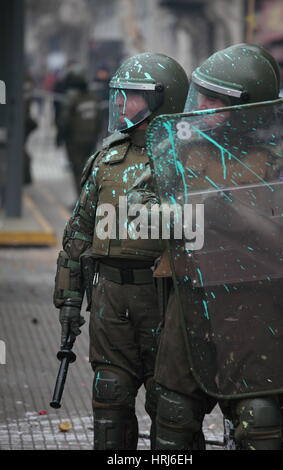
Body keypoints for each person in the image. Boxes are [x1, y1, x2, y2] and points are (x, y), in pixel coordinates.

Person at [130, 43, 283, 450]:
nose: (201, 105)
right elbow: (137, 213)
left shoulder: (282, 158)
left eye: (216, 99)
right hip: (190, 302)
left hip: (256, 304)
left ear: (248, 107)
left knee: (258, 417)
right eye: (200, 93)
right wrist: (190, 214)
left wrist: (238, 218)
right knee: (172, 414)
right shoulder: (177, 148)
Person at [53, 52, 189, 450]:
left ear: (163, 100)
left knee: (173, 411)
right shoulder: (107, 159)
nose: (121, 104)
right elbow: (77, 234)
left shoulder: (188, 161)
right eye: (121, 95)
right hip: (111, 300)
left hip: (166, 300)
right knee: (109, 398)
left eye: (131, 96)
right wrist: (68, 301)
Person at [57, 71, 102, 196]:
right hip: (91, 139)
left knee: (78, 170)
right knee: (89, 169)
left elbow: (64, 120)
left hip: (74, 140)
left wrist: (60, 137)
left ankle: (81, 201)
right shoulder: (93, 97)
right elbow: (99, 119)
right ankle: (89, 198)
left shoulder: (71, 98)